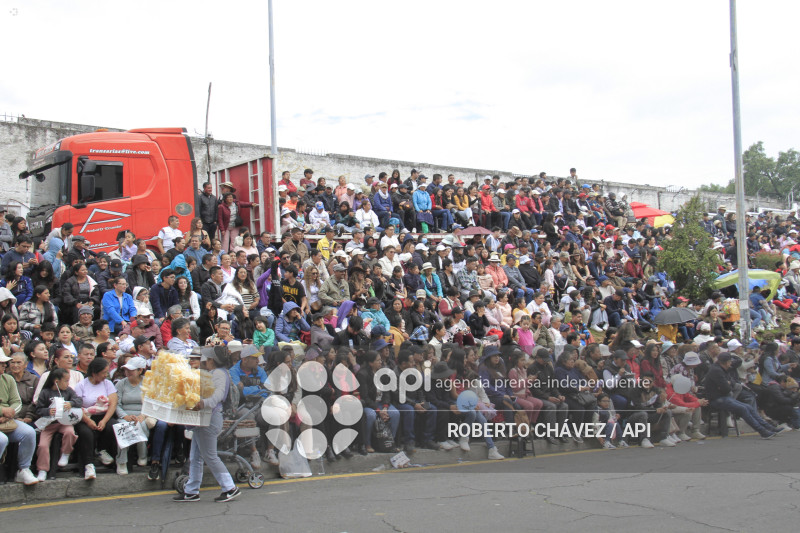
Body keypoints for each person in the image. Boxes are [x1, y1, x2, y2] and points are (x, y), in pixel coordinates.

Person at [174, 347, 241, 503]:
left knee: (209, 456)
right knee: (196, 456)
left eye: (207, 359)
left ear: (212, 360)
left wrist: (203, 403)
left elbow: (218, 395)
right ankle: (191, 490)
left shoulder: (218, 374)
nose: (205, 361)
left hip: (209, 418)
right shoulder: (215, 373)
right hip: (205, 418)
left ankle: (230, 488)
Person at [74, 358, 119, 479]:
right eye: (103, 373)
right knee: (86, 433)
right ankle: (88, 465)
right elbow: (77, 407)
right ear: (94, 373)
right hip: (86, 416)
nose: (106, 375)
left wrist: (104, 421)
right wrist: (88, 421)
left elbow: (113, 403)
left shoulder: (108, 384)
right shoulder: (81, 385)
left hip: (104, 415)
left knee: (112, 426)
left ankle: (103, 451)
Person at [34, 368, 82, 481]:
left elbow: (79, 401)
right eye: (66, 381)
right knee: (43, 445)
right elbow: (38, 410)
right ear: (56, 381)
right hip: (49, 424)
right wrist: (48, 411)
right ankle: (42, 469)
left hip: (64, 422)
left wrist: (71, 403)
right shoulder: (45, 392)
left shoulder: (68, 391)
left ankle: (66, 452)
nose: (68, 383)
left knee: (70, 432)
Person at [0, 352, 40, 485]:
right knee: (2, 439)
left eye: (4, 363)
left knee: (28, 433)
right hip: (4, 417)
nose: (4, 366)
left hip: (7, 420)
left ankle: (23, 469)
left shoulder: (8, 379)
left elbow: (16, 402)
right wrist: (3, 411)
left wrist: (9, 414)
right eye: (1, 363)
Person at [114, 356, 150, 475]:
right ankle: (121, 461)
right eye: (126, 370)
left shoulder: (148, 382)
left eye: (131, 370)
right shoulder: (121, 384)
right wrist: (125, 416)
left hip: (142, 414)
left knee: (141, 425)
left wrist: (142, 416)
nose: (128, 372)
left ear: (140, 370)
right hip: (125, 415)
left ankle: (142, 455)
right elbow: (116, 404)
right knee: (124, 428)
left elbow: (150, 403)